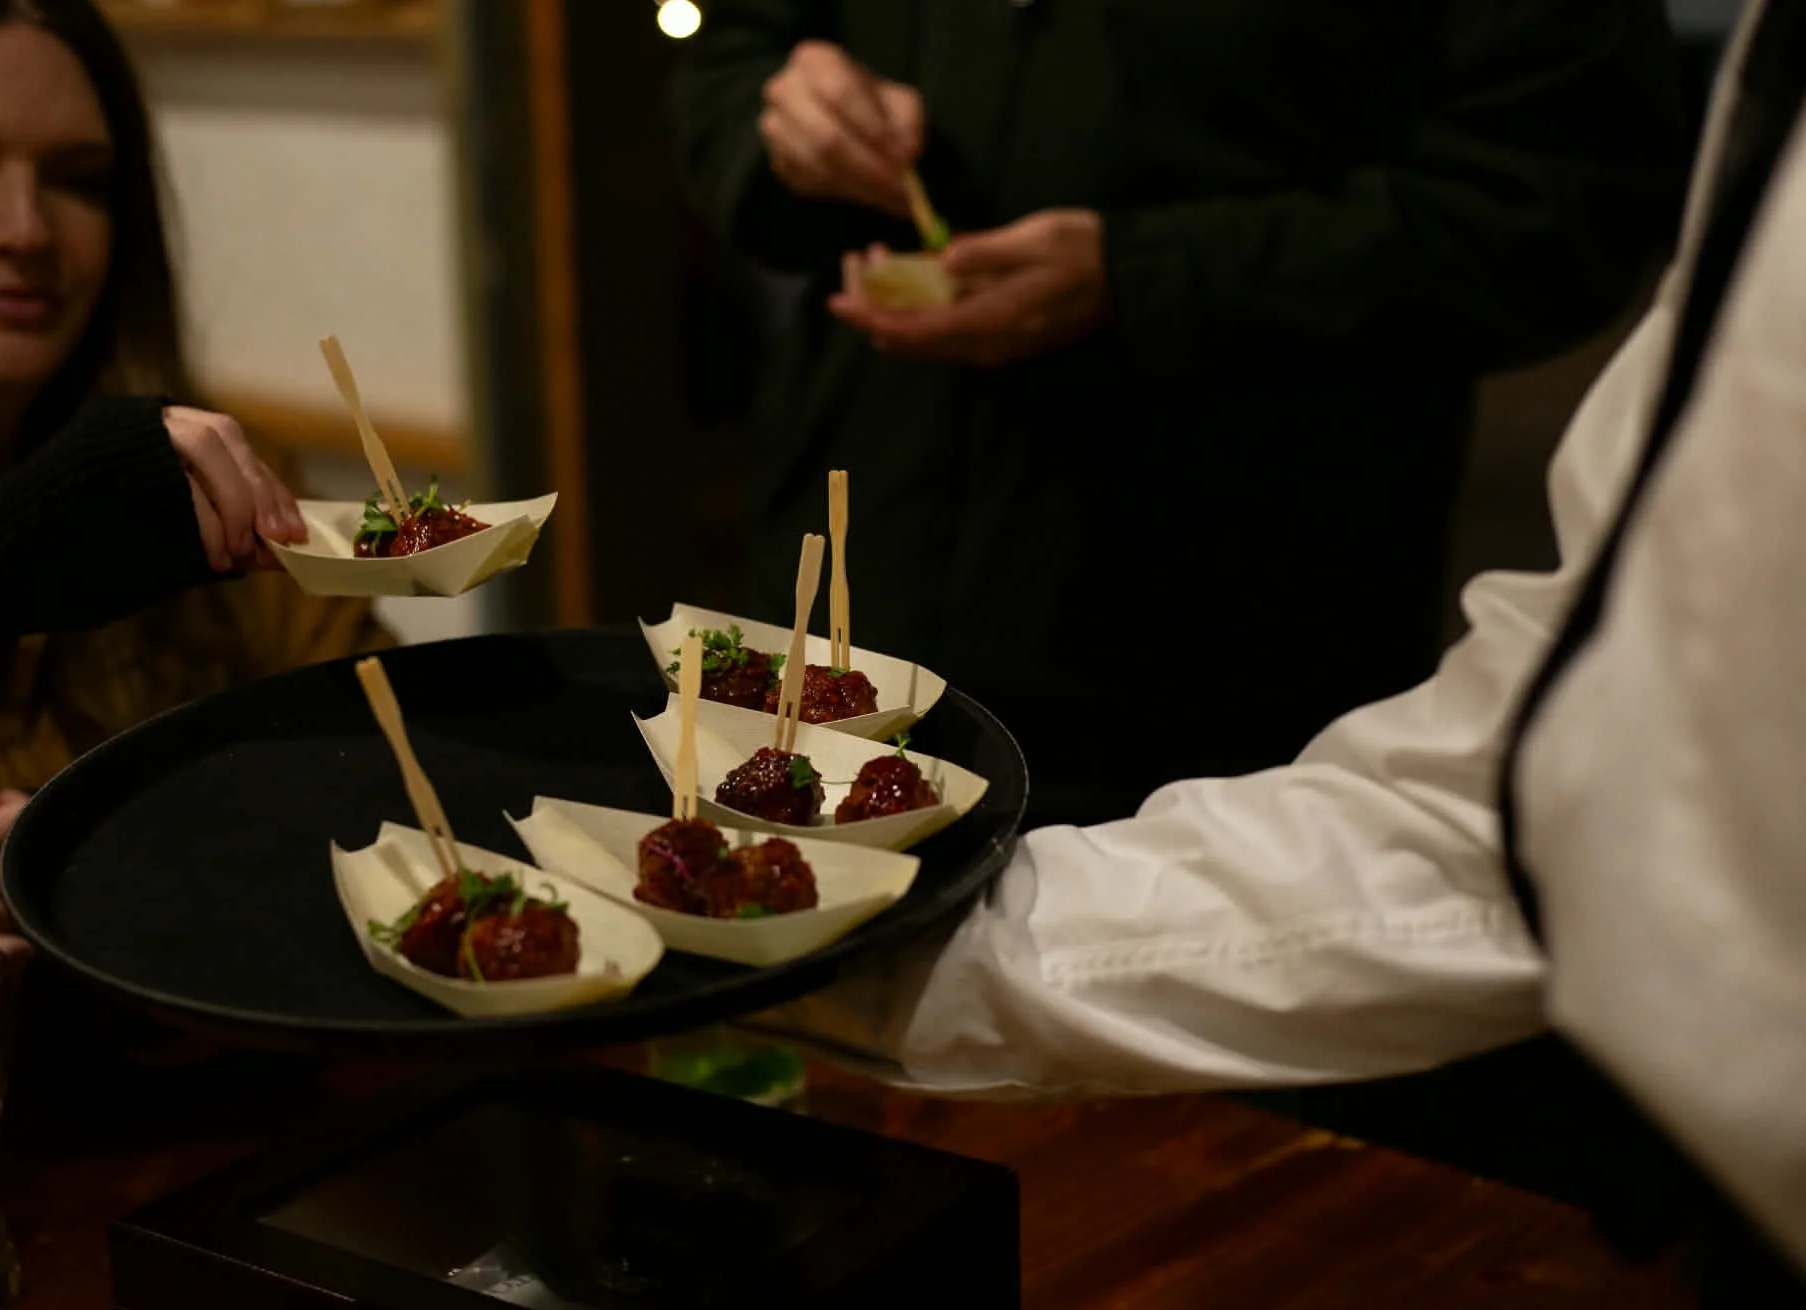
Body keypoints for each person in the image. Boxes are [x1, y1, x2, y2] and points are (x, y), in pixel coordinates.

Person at [753, 0, 1806, 1310]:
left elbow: (1557, 197)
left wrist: (1151, 271)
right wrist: (817, 942)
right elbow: (1559, 757)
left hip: (1237, 621)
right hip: (900, 575)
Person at [671, 1, 1687, 829]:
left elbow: (1556, 207)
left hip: (1227, 653)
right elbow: (733, 53)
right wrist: (780, 125)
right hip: (854, 568)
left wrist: (1139, 279)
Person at [0, 0, 394, 977]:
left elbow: (385, 788)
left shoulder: (221, 472)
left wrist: (225, 884)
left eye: (81, 183)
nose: (26, 231)